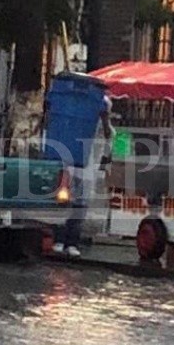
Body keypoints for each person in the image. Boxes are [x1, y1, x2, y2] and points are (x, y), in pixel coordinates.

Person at [52, 96, 114, 258]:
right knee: (64, 205)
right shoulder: (77, 125)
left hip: (88, 173)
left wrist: (104, 118)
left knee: (80, 209)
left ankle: (72, 242)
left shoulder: (105, 129)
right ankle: (59, 239)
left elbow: (109, 142)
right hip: (71, 169)